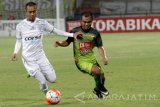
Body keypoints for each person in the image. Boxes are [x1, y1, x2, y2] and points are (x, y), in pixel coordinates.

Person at [11, 2, 82, 95]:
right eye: (30, 12)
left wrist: (72, 34)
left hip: (40, 56)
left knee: (53, 79)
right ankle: (47, 94)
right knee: (43, 81)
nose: (32, 14)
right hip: (28, 58)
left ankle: (35, 72)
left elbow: (56, 31)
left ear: (36, 11)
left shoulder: (42, 23)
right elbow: (19, 40)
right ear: (26, 11)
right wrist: (15, 52)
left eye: (34, 11)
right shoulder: (20, 26)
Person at [55, 12, 109, 98]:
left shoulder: (95, 33)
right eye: (84, 21)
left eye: (88, 22)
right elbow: (67, 42)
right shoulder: (75, 31)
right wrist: (60, 43)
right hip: (80, 61)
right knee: (97, 71)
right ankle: (101, 88)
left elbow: (100, 47)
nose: (86, 24)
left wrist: (104, 57)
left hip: (92, 60)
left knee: (102, 77)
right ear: (81, 21)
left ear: (92, 21)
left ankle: (97, 89)